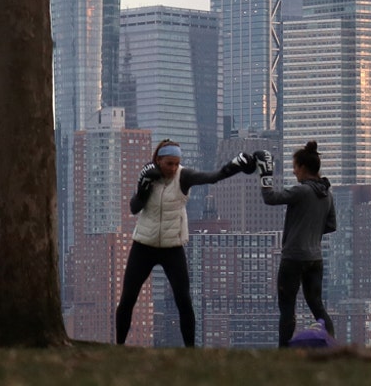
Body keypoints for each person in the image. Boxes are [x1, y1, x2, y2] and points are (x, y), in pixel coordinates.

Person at [116, 140, 265, 347]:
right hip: (144, 245)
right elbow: (134, 208)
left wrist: (235, 165)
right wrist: (143, 188)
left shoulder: (184, 177)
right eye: (169, 164)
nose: (173, 168)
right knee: (128, 299)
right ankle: (119, 347)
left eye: (177, 163)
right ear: (158, 161)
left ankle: (190, 350)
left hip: (172, 247)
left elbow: (213, 177)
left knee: (184, 300)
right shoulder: (149, 174)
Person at [260, 138, 337, 347]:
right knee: (317, 306)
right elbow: (331, 225)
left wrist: (265, 173)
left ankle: (284, 352)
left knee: (287, 308)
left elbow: (270, 198)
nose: (294, 172)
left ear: (302, 168)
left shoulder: (301, 191)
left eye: (294, 167)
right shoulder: (326, 194)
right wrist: (311, 228)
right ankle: (330, 344)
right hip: (315, 258)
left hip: (293, 257)